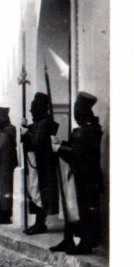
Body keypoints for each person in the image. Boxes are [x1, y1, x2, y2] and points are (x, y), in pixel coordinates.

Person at [50, 91, 103, 255]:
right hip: (77, 174)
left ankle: (85, 243)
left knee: (85, 209)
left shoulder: (91, 130)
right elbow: (75, 148)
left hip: (86, 176)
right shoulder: (84, 129)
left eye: (77, 110)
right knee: (71, 207)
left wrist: (59, 149)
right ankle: (68, 239)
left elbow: (79, 154)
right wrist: (62, 143)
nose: (75, 114)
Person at [20, 92, 59, 234]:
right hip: (35, 164)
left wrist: (26, 133)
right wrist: (25, 130)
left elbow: (38, 143)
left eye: (33, 107)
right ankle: (38, 222)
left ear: (40, 107)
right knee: (35, 191)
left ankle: (40, 223)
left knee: (40, 192)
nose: (30, 110)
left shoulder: (45, 123)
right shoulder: (37, 124)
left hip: (43, 165)